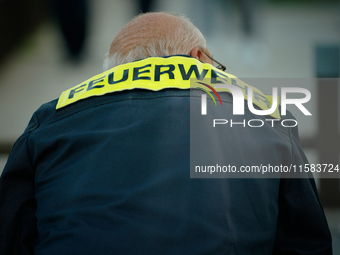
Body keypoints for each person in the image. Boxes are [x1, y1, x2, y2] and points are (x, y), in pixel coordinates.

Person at [0, 12, 332, 255]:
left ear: (115, 70)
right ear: (199, 58)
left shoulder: (49, 119)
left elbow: (11, 236)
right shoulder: (267, 115)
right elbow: (307, 244)